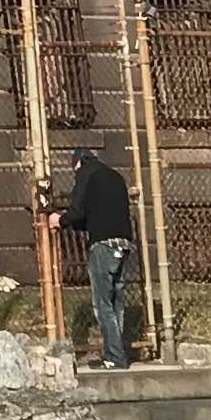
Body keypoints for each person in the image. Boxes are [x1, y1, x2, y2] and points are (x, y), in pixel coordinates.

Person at [50, 146, 141, 369]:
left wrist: (60, 220)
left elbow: (78, 210)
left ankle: (114, 357)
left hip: (103, 246)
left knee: (103, 304)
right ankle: (118, 354)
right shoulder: (114, 176)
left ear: (78, 163)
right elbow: (94, 215)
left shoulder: (85, 173)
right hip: (123, 243)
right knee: (116, 301)